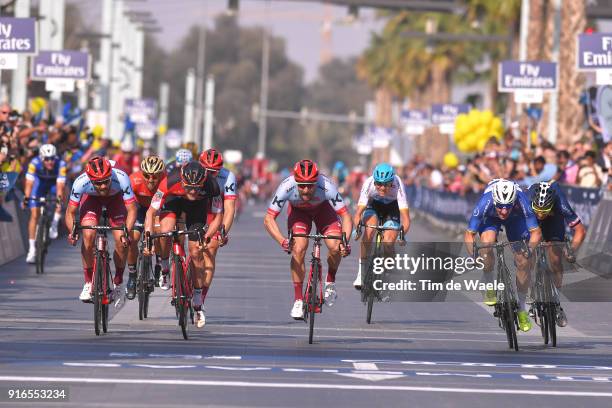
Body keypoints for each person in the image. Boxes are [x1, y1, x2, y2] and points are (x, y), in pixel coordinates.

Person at [263, 159, 352, 320]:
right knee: (298, 248)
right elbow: (269, 218)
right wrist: (282, 240)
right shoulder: (286, 186)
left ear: (316, 181)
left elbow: (345, 215)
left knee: (335, 245)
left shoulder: (326, 186)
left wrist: (345, 242)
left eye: (310, 185)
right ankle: (298, 300)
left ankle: (330, 281)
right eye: (301, 185)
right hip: (299, 214)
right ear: (295, 181)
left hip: (323, 211)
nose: (306, 190)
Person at [144, 161, 222, 328]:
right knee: (165, 231)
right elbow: (151, 211)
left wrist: (207, 236)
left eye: (196, 187)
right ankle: (165, 267)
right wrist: (148, 236)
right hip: (174, 202)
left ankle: (198, 296)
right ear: (182, 181)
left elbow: (218, 216)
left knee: (196, 252)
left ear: (203, 182)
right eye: (189, 187)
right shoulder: (169, 181)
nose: (193, 191)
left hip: (197, 209)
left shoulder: (212, 185)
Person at [464, 179, 542, 332]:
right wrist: (473, 255)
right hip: (491, 219)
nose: (504, 211)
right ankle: (488, 281)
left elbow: (536, 232)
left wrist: (530, 250)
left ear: (514, 201)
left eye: (508, 207)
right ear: (495, 201)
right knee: (486, 244)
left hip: (516, 219)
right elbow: (469, 234)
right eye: (500, 207)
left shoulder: (521, 200)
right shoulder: (485, 202)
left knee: (523, 261)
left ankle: (521, 309)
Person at [65, 156, 137, 303]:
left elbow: (132, 209)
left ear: (111, 175)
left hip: (116, 199)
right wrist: (72, 232)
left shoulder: (122, 177)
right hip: (91, 199)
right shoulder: (80, 182)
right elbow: (70, 212)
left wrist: (126, 233)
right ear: (90, 180)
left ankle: (118, 282)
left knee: (121, 239)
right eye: (98, 183)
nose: (103, 186)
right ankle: (88, 282)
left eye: (106, 181)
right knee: (88, 235)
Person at [528, 181, 586, 327]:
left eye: (544, 211)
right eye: (538, 210)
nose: (540, 214)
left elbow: (580, 231)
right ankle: (532, 292)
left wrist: (571, 250)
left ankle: (555, 302)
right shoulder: (526, 199)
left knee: (555, 259)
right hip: (530, 219)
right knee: (528, 252)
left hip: (553, 220)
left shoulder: (560, 202)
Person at [352, 163, 411, 289]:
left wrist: (402, 235)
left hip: (392, 208)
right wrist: (357, 229)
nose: (382, 188)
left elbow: (406, 219)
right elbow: (358, 213)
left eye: (386, 184)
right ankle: (361, 273)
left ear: (391, 182)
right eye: (378, 184)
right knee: (369, 231)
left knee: (388, 242)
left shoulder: (398, 185)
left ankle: (387, 274)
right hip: (374, 205)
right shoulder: (368, 183)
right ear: (374, 182)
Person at [198, 149, 237, 311]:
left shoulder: (228, 177)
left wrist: (222, 232)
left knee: (210, 249)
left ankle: (201, 298)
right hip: (195, 207)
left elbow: (229, 209)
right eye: (207, 170)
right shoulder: (192, 170)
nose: (210, 174)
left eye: (214, 171)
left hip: (215, 212)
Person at [125, 156, 167, 300]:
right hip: (139, 209)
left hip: (158, 210)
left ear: (161, 174)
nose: (150, 179)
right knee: (132, 240)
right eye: (146, 176)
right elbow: (126, 204)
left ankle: (159, 263)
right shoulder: (133, 180)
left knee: (160, 233)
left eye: (155, 176)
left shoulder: (166, 181)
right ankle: (132, 275)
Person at [22, 144, 67, 263]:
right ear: (41, 158)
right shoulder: (34, 163)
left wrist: (59, 201)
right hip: (39, 184)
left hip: (53, 184)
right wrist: (26, 198)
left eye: (52, 158)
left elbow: (60, 187)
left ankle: (54, 224)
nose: (50, 161)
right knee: (35, 215)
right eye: (47, 159)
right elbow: (29, 183)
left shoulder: (61, 164)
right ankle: (32, 249)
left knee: (63, 194)